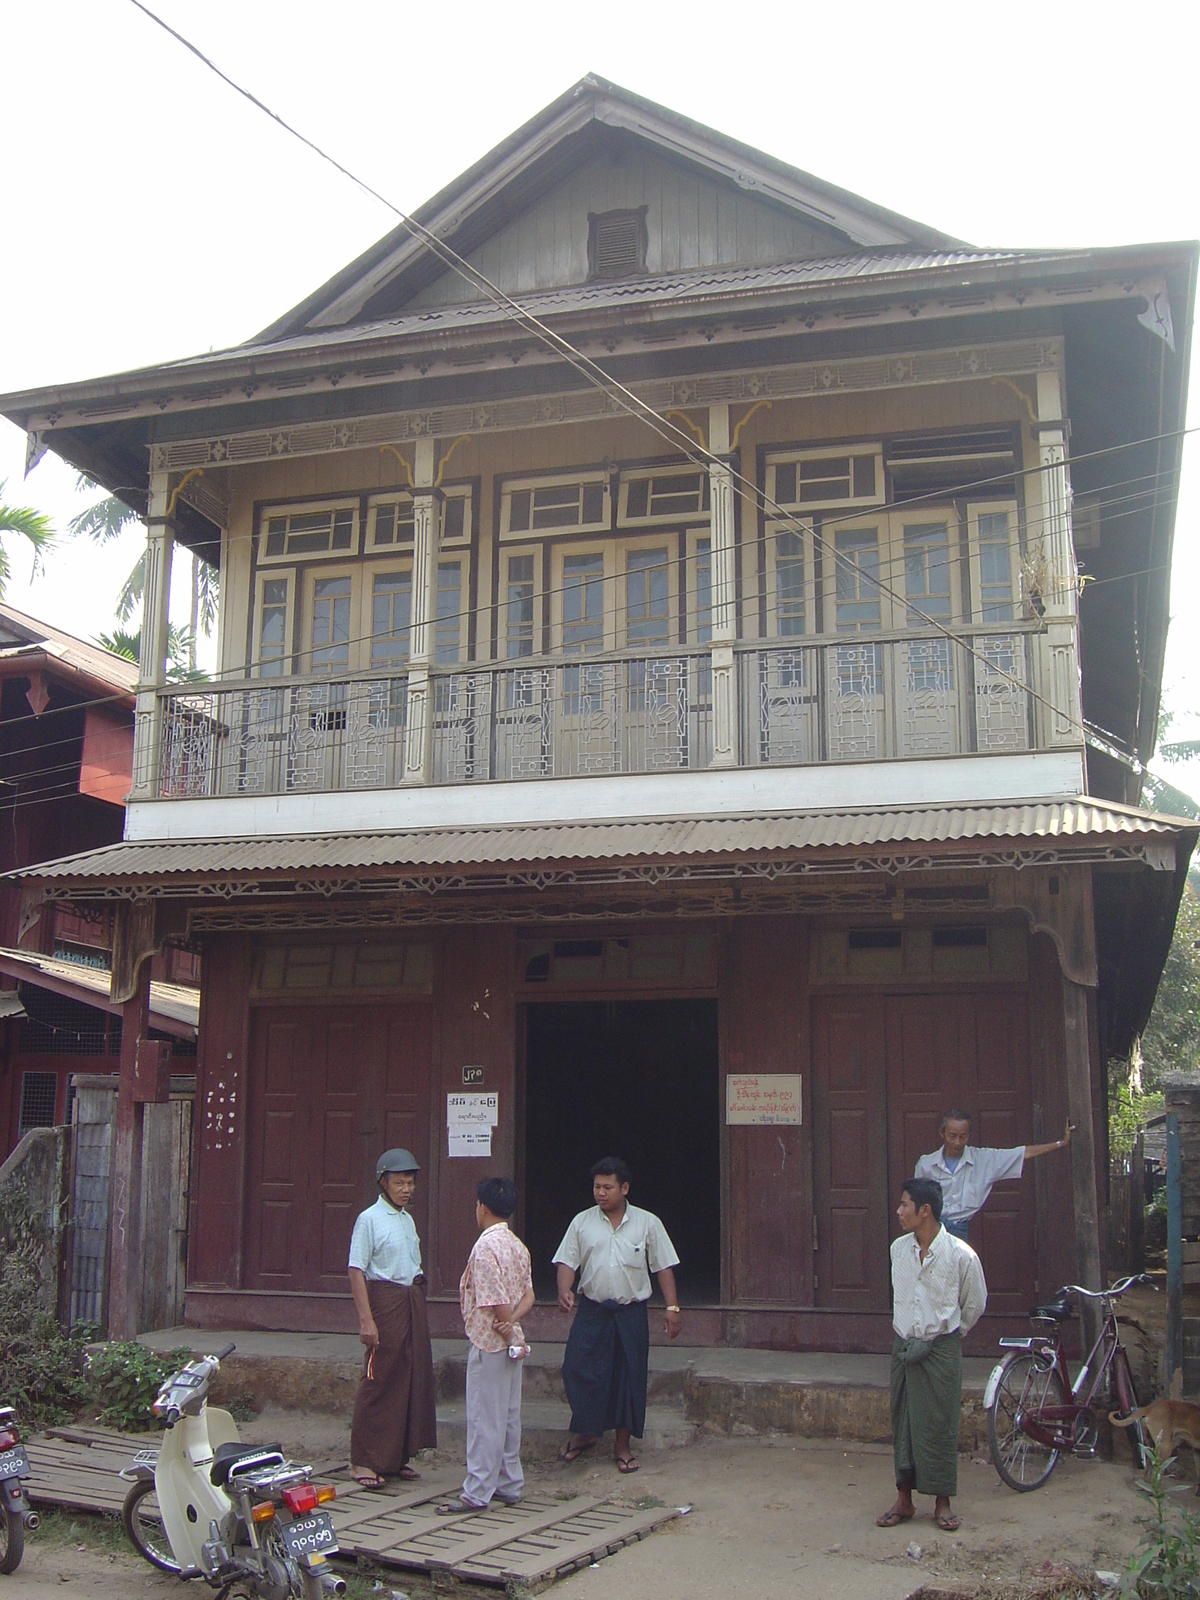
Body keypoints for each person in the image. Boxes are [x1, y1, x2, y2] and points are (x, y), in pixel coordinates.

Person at [553, 1156, 682, 1475]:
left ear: (624, 1188)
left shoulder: (647, 1223)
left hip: (630, 1313)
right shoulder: (582, 1222)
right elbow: (567, 1262)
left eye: (607, 1187)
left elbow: (663, 1265)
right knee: (576, 1369)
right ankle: (586, 1431)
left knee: (629, 1378)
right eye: (597, 1187)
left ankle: (622, 1446)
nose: (600, 1193)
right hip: (593, 1311)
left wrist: (672, 1307)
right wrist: (565, 1289)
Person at [876, 1177, 987, 1534]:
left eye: (905, 1205)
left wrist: (947, 1334)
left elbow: (974, 1304)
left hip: (940, 1351)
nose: (899, 1211)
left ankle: (942, 1502)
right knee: (904, 1424)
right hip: (904, 1347)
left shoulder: (960, 1255)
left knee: (939, 1425)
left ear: (925, 1211)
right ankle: (904, 1499)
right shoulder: (898, 1250)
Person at [437, 1176, 535, 1516]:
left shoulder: (485, 1247)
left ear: (483, 1207)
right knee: (508, 1415)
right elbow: (529, 1295)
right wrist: (515, 1326)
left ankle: (478, 1490)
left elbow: (494, 1303)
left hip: (490, 1340)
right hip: (512, 1341)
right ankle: (509, 1483)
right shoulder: (518, 1246)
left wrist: (506, 1329)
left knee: (484, 1417)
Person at [347, 1147, 438, 1488]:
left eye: (410, 1182)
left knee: (409, 1375)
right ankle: (363, 1461)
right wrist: (366, 1320)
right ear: (383, 1182)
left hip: (410, 1300)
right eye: (399, 1182)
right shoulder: (369, 1219)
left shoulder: (406, 1218)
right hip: (384, 1303)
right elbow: (357, 1270)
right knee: (379, 1378)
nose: (406, 1189)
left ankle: (395, 1458)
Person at [915, 1109, 1074, 1240]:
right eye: (952, 1136)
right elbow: (916, 1201)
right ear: (942, 1134)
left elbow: (1022, 1153)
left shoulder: (984, 1160)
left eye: (963, 1137)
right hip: (930, 1228)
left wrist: (1061, 1143)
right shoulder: (926, 1164)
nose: (957, 1142)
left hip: (960, 1232)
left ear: (969, 1135)